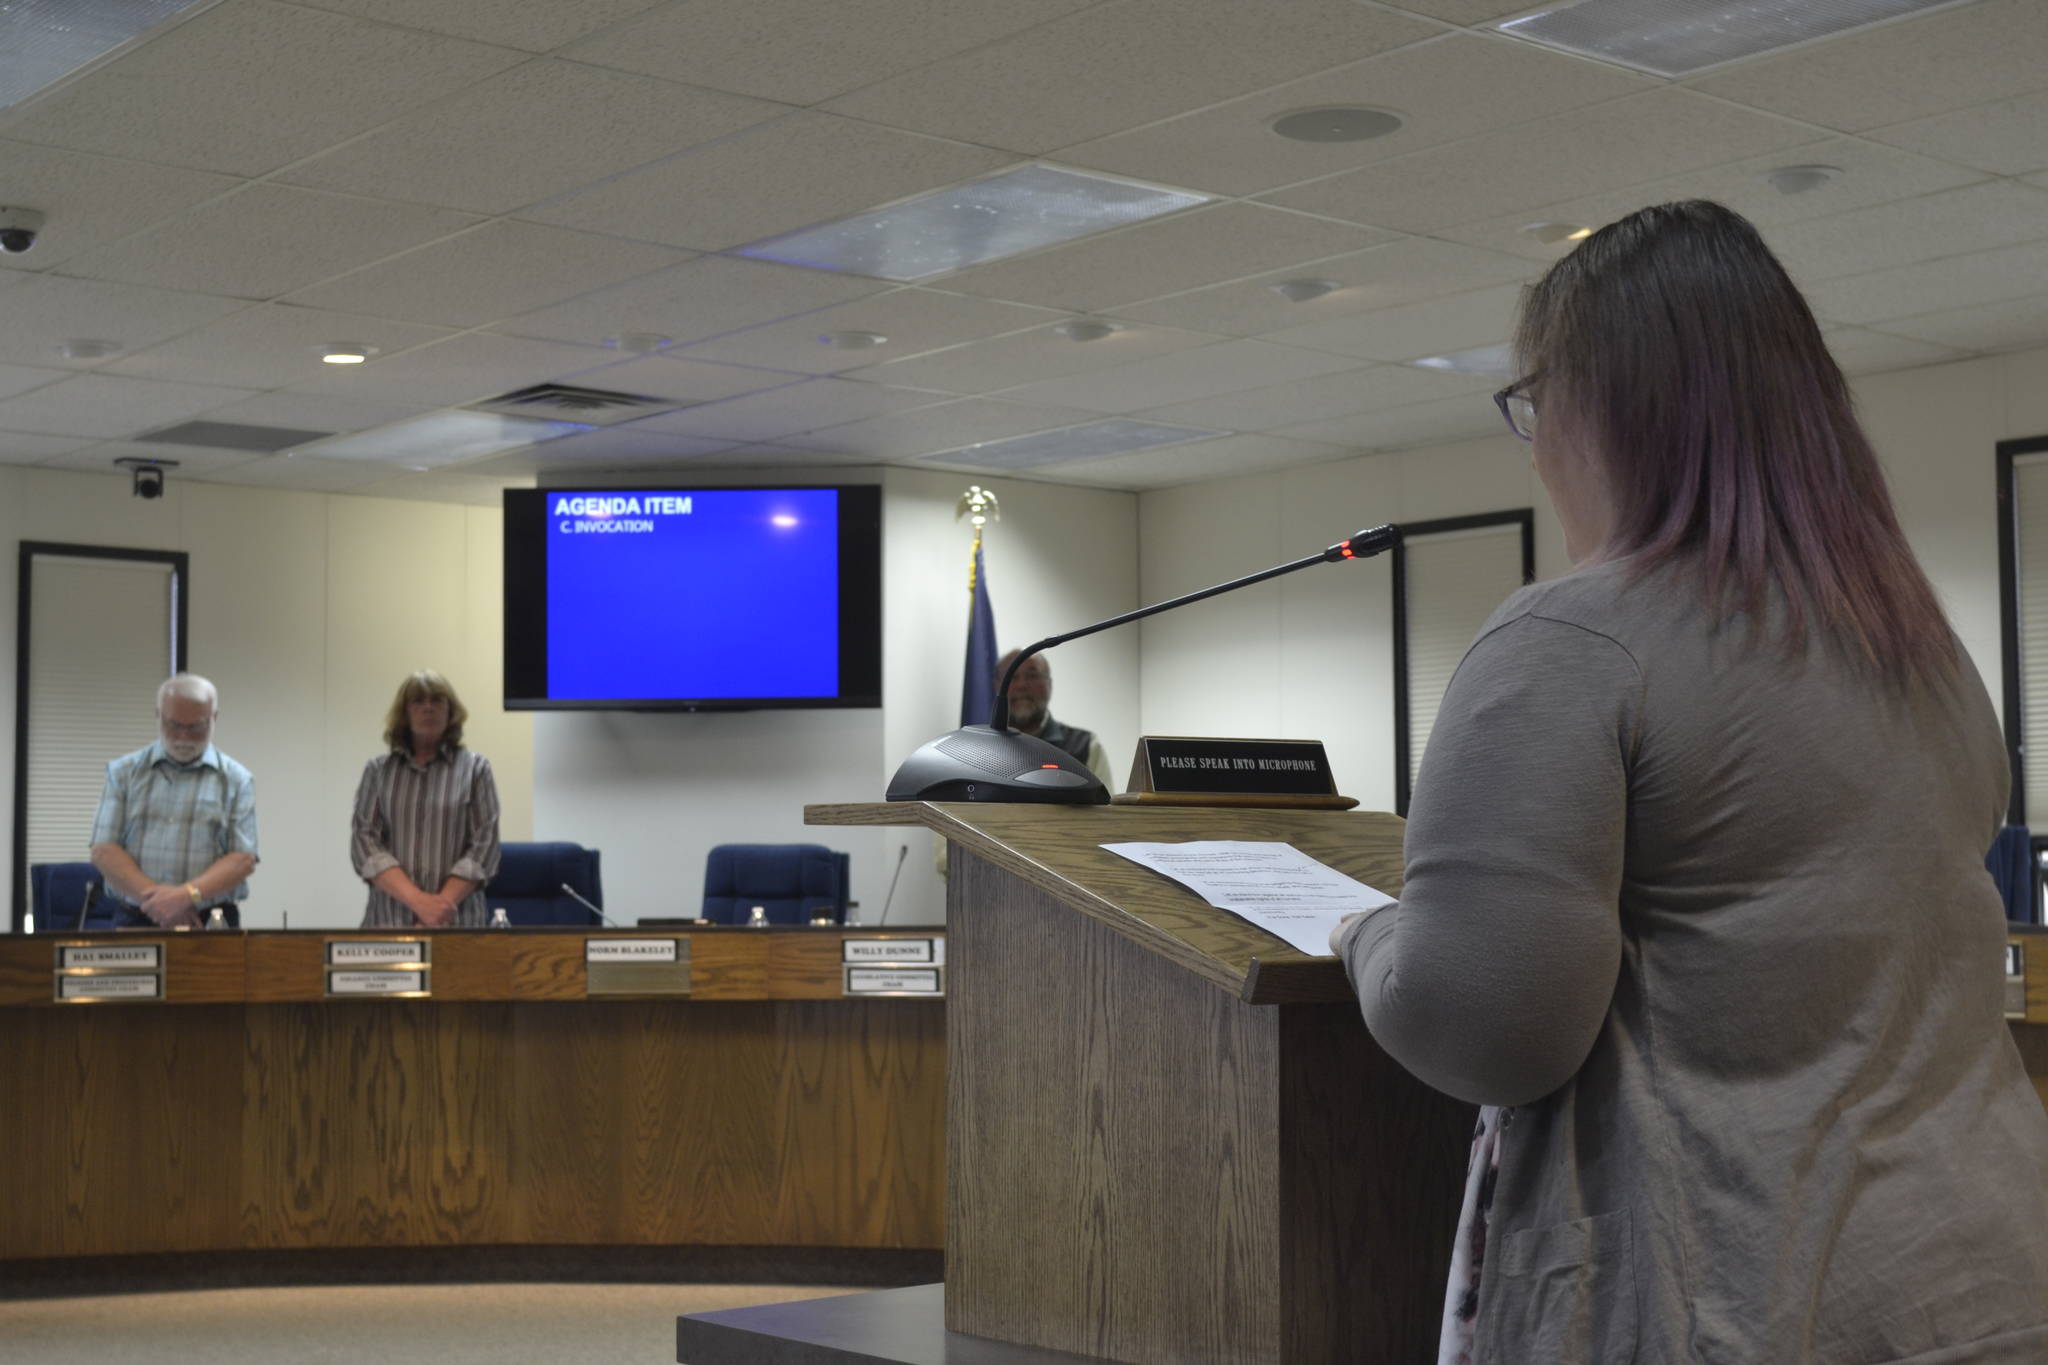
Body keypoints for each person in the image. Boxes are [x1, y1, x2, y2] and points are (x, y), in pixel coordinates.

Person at [1333, 201, 2048, 1364]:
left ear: (1600, 406)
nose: (1537, 440)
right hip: (1977, 1270)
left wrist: (1363, 930)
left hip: (1734, 1294)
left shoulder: (1569, 642)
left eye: (1533, 401)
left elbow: (1483, 1025)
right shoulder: (1918, 650)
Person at [89, 673, 259, 929]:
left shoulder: (236, 779)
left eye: (195, 727)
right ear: (158, 715)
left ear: (214, 718)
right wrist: (162, 904)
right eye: (173, 724)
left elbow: (242, 859)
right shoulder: (124, 772)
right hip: (137, 916)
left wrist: (185, 895)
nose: (183, 737)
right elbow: (104, 850)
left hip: (210, 921)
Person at [350, 670, 501, 929]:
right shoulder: (378, 771)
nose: (428, 708)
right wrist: (419, 903)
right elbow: (366, 845)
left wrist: (437, 911)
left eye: (437, 701)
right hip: (390, 924)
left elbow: (484, 849)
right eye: (418, 701)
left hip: (458, 925)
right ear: (404, 713)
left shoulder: (476, 769)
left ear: (450, 712)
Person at [995, 648, 1111, 783]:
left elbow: (1104, 803)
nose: (1022, 685)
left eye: (1032, 675)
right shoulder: (980, 747)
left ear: (1049, 684)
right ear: (997, 686)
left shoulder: (1086, 746)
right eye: (1012, 676)